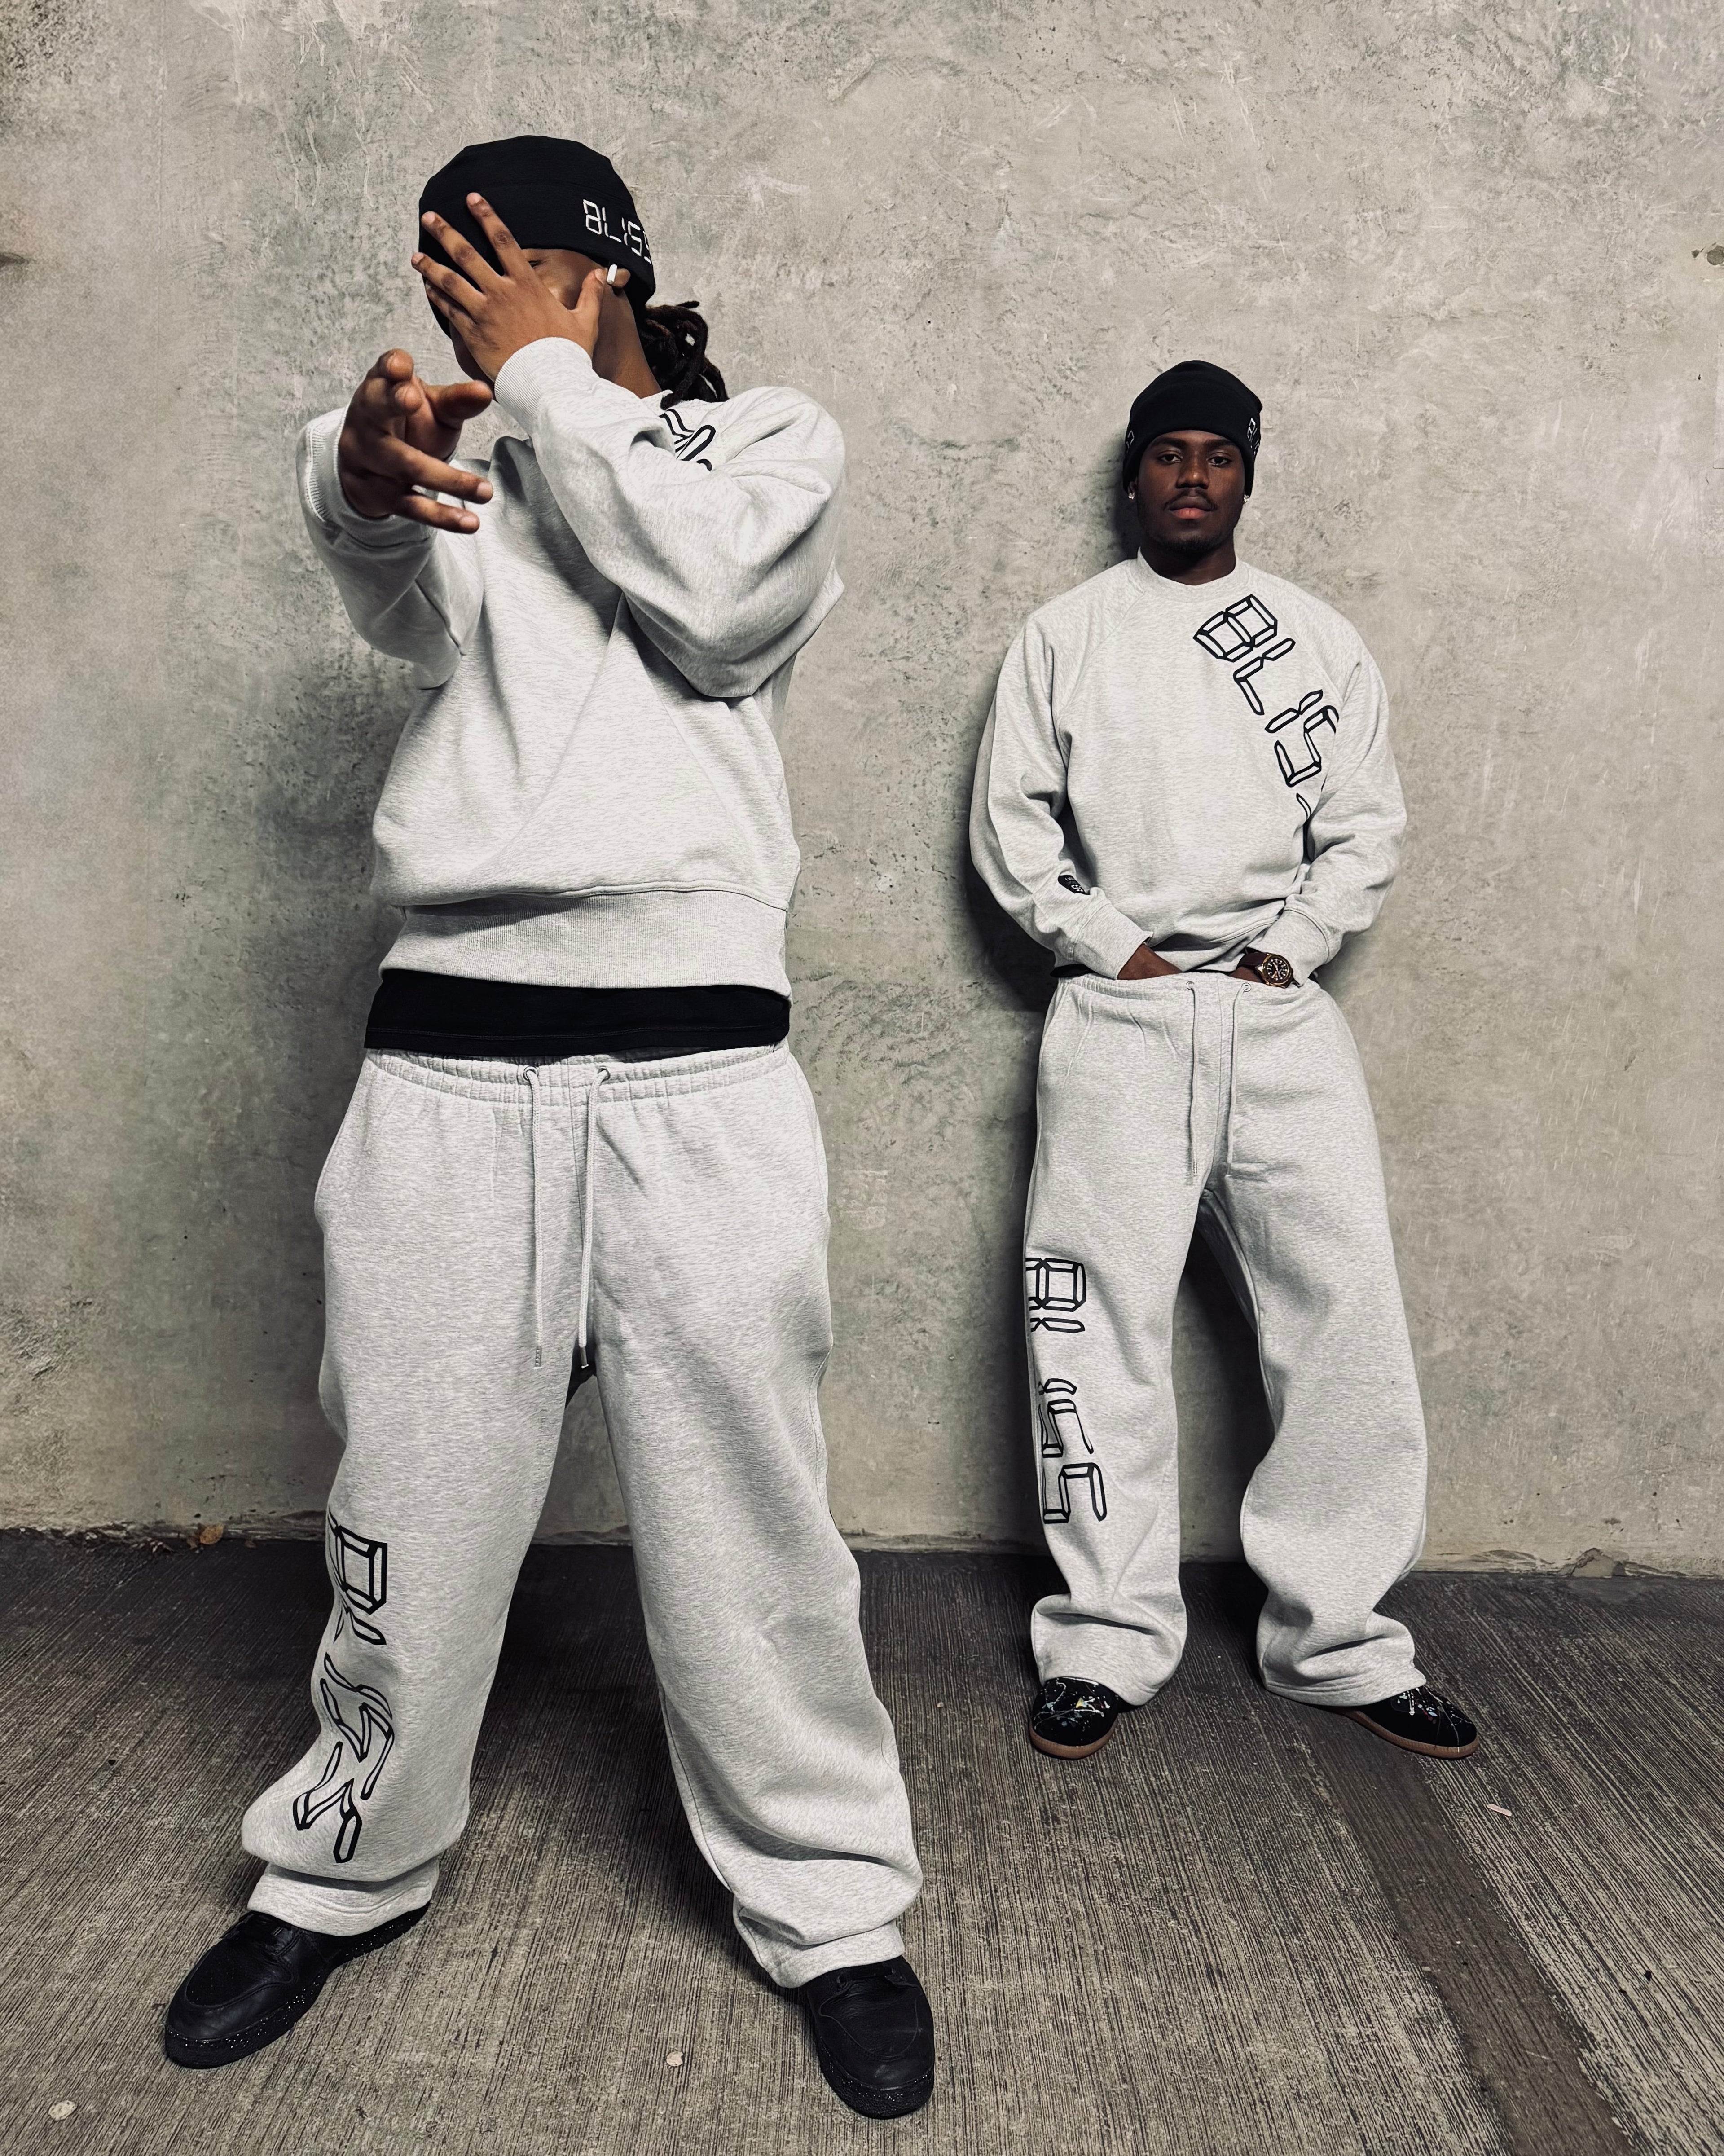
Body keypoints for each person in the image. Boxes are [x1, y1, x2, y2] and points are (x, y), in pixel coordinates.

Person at [163, 136, 934, 2122]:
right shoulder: (489, 456)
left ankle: (830, 1904)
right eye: (442, 290)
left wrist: (545, 381)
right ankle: (341, 1865)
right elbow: (394, 597)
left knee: (749, 1515)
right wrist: (356, 475)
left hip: (700, 1071)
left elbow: (721, 606)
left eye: (489, 277)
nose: (461, 319)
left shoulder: (765, 442)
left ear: (598, 272)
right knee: (409, 1497)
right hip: (451, 1061)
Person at [969, 359, 1479, 1767]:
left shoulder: (1313, 639)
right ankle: (1105, 1638)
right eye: (1167, 454)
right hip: (1121, 1013)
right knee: (1091, 1322)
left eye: (1218, 456)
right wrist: (1109, 946)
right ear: (1133, 474)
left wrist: (1294, 946)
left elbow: (1366, 822)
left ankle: (1340, 1638)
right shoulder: (1066, 634)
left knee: (1344, 1318)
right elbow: (1012, 826)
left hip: (1277, 1013)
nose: (1191, 478)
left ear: (1248, 475)